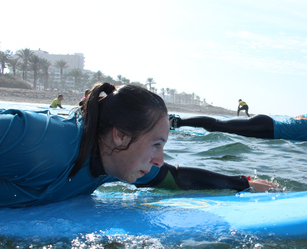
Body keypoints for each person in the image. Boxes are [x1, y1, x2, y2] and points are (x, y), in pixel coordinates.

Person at [0, 83, 277, 208]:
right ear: (119, 136)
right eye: (156, 144)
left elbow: (176, 178)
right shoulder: (38, 140)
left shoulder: (114, 161)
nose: (159, 158)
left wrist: (243, 183)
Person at [170, 96, 307, 145]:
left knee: (220, 128)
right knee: (219, 125)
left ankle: (179, 123)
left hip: (266, 126)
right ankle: (177, 121)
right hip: (266, 127)